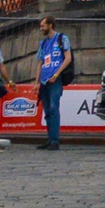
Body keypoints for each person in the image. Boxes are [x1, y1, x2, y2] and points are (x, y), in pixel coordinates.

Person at [34, 17, 73, 150]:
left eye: (43, 26)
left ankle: (55, 140)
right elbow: (40, 62)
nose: (41, 28)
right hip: (44, 80)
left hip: (55, 79)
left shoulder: (62, 38)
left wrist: (56, 75)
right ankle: (50, 139)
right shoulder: (43, 43)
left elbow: (68, 58)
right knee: (47, 111)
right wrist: (37, 82)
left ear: (50, 25)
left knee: (53, 108)